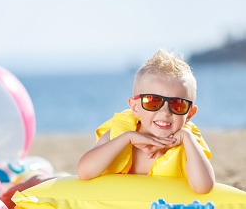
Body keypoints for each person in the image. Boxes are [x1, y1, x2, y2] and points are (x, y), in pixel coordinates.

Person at [77, 49, 215, 194]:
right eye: (153, 102)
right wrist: (127, 138)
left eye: (178, 105)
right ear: (135, 108)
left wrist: (187, 137)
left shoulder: (188, 144)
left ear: (189, 114)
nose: (165, 112)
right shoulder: (119, 135)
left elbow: (204, 187)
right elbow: (84, 172)